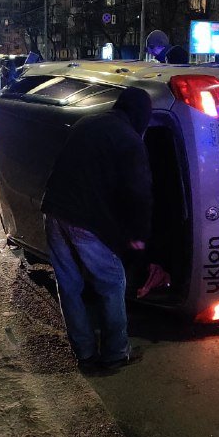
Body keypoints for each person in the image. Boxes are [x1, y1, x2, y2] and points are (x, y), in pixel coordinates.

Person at [41, 87, 153, 373]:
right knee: (112, 283)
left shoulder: (88, 122)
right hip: (84, 222)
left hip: (53, 213)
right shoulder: (129, 139)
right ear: (140, 115)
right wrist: (138, 238)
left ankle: (85, 353)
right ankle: (116, 352)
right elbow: (139, 194)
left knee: (69, 286)